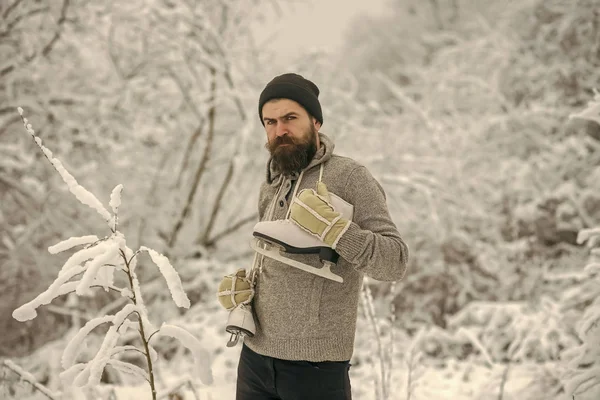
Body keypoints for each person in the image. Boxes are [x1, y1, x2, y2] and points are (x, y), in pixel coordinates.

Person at [224, 73, 409, 400]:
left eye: (290, 119)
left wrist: (337, 231)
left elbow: (394, 263)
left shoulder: (350, 177)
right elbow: (280, 262)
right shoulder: (272, 182)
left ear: (316, 121)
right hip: (254, 360)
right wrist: (247, 292)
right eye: (270, 122)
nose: (279, 130)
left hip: (316, 370)